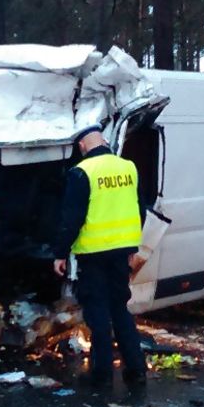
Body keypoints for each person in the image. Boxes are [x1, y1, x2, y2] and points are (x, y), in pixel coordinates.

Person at [53, 125, 148, 388]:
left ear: (82, 146)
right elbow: (140, 209)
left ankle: (102, 372)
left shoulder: (82, 172)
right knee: (120, 308)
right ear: (103, 141)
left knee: (97, 312)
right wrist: (131, 248)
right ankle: (136, 368)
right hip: (121, 253)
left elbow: (71, 219)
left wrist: (60, 253)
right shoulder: (128, 167)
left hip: (93, 254)